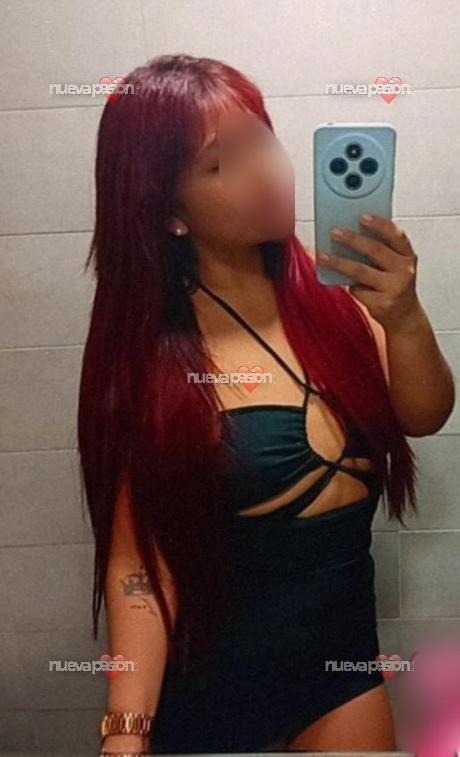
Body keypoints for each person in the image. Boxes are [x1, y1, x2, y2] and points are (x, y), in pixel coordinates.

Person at [77, 53, 455, 755]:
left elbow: (424, 415)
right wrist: (125, 733)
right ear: (168, 212)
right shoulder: (159, 360)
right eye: (222, 162)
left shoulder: (340, 301)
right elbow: (140, 568)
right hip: (214, 687)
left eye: (262, 139)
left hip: (343, 675)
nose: (265, 172)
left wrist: (404, 316)